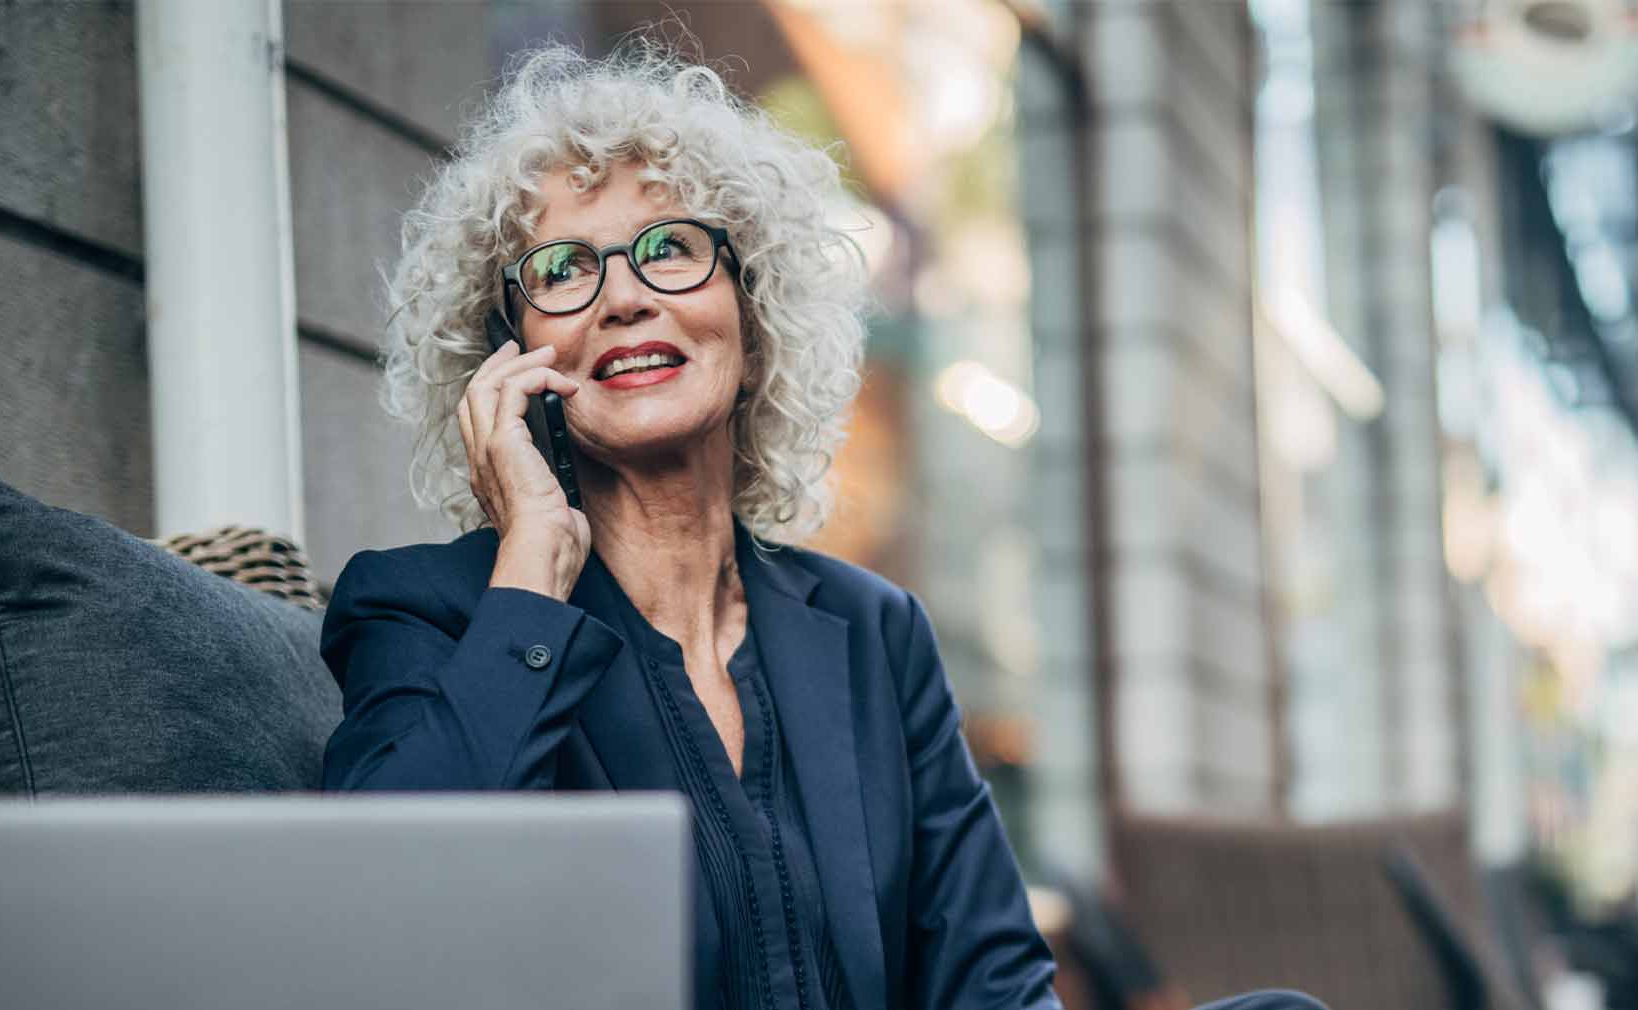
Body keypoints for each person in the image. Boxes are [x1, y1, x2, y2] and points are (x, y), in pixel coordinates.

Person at [320, 40, 1324, 1010]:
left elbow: (995, 982)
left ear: (752, 324)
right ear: (511, 359)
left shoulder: (878, 634)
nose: (623, 297)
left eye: (671, 248)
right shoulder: (429, 612)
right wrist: (530, 576)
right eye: (562, 270)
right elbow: (377, 928)